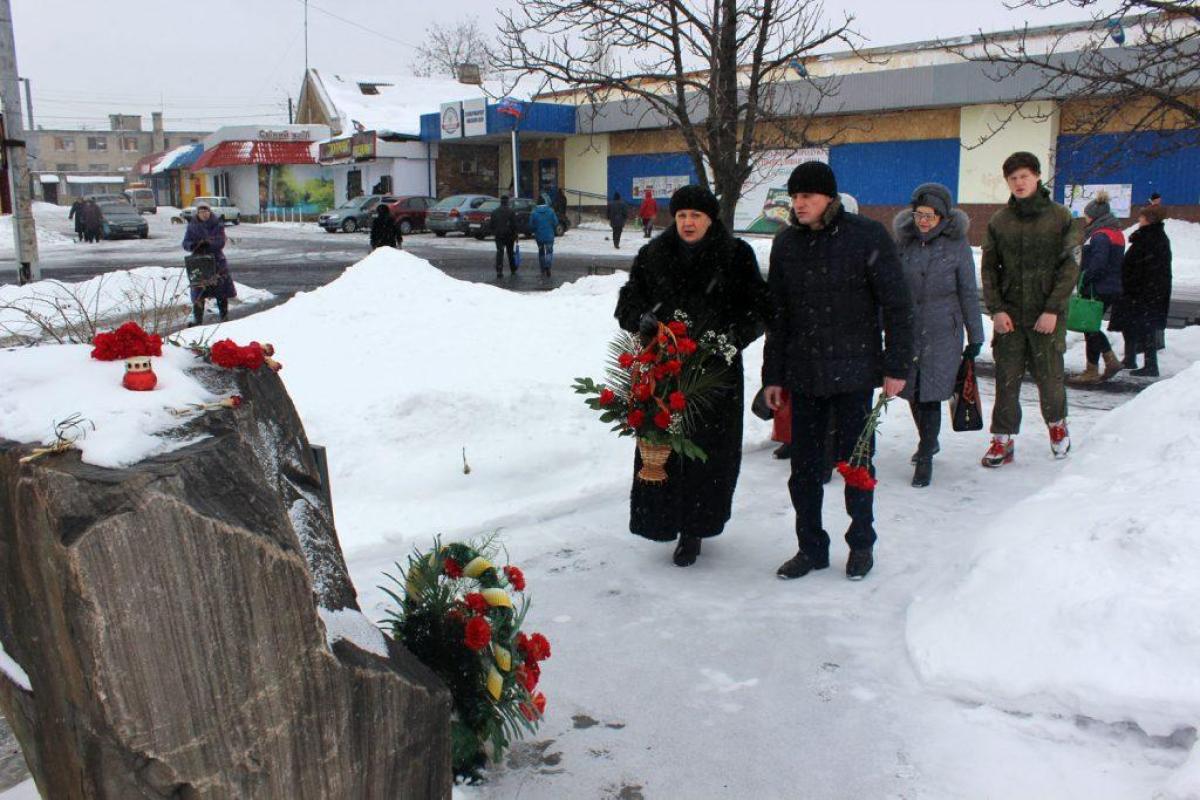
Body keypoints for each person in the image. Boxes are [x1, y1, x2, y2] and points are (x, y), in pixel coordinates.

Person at [763, 161, 913, 581]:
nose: (800, 203)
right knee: (804, 472)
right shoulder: (787, 244)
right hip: (805, 375)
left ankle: (861, 544)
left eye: (808, 195)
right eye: (795, 196)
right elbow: (778, 316)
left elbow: (898, 306)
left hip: (855, 372)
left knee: (856, 464)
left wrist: (896, 365)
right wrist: (773, 376)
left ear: (829, 197)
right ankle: (810, 548)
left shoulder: (866, 236)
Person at [614, 185, 771, 568]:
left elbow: (759, 308)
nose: (687, 222)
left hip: (715, 374)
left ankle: (695, 529)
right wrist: (641, 319)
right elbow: (628, 301)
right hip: (664, 370)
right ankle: (662, 521)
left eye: (696, 216)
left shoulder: (736, 255)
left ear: (710, 219)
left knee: (708, 455)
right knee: (662, 447)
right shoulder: (654, 254)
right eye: (682, 215)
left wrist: (732, 338)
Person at [980, 151, 1079, 467]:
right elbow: (989, 270)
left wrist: (1053, 309)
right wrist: (996, 309)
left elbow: (1070, 267)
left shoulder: (1060, 217)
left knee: (1050, 378)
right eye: (1012, 178)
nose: (1019, 183)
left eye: (1024, 176)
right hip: (1010, 317)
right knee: (1006, 380)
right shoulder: (999, 221)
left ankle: (1057, 427)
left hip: (1045, 317)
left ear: (1037, 176)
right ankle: (1002, 440)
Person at [893, 182, 985, 488]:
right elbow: (890, 288)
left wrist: (976, 336)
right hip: (909, 328)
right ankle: (928, 440)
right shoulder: (904, 242)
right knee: (911, 391)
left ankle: (925, 456)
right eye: (919, 214)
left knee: (930, 393)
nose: (923, 221)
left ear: (944, 218)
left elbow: (968, 292)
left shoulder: (956, 245)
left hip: (943, 330)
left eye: (930, 216)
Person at [1110, 204, 1172, 377]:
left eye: (1142, 217)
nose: (1139, 219)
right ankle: (1131, 358)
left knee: (1146, 327)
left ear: (1149, 219)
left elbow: (1147, 267)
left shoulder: (1152, 238)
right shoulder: (1150, 237)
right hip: (1140, 291)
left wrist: (1132, 282)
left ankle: (1150, 365)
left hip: (1143, 292)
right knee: (1131, 325)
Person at [1071, 191, 1125, 383]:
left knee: (1090, 326)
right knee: (1090, 327)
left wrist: (1085, 279)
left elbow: (1098, 264)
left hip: (1098, 288)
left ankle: (1101, 365)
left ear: (1094, 216)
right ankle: (1096, 366)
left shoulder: (1100, 235)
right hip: (1110, 287)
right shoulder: (1116, 233)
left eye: (1086, 215)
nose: (1084, 218)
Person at [183, 201, 236, 325]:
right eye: (201, 212)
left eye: (206, 211)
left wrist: (209, 244)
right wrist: (194, 245)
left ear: (210, 211)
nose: (204, 214)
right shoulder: (192, 226)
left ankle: (224, 317)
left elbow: (221, 241)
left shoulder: (217, 224)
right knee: (198, 291)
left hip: (216, 261)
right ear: (198, 213)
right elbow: (185, 242)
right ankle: (198, 320)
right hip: (199, 263)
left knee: (221, 290)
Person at [529, 196, 559, 277]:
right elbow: (556, 222)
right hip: (549, 235)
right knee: (549, 251)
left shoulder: (534, 212)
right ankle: (548, 266)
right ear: (544, 203)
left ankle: (542, 268)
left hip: (539, 236)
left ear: (537, 203)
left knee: (541, 252)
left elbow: (531, 225)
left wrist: (535, 229)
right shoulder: (550, 211)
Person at [491, 195, 518, 277]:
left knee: (500, 252)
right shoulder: (511, 211)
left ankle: (499, 269)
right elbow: (514, 225)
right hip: (509, 235)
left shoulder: (495, 212)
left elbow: (491, 224)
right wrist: (515, 234)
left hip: (499, 235)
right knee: (510, 253)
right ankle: (513, 268)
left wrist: (495, 231)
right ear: (507, 201)